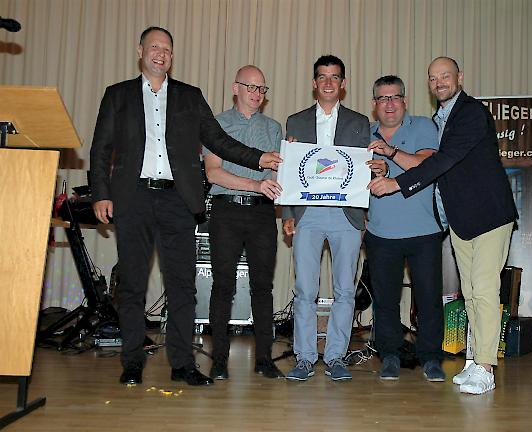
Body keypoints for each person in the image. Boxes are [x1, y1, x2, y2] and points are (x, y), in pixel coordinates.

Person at [90, 27, 281, 387]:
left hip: (178, 200)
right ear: (140, 51)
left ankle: (182, 364)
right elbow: (100, 148)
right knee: (131, 285)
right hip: (133, 199)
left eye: (167, 49)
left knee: (182, 286)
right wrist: (101, 192)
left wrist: (260, 158)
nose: (161, 54)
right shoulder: (118, 95)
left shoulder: (190, 97)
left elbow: (219, 141)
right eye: (155, 47)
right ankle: (131, 362)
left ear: (172, 57)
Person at [368, 57, 518, 394]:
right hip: (461, 219)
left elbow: (442, 161)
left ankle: (485, 366)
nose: (439, 82)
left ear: (459, 77)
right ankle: (474, 362)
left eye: (445, 76)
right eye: (434, 78)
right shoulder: (441, 118)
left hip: (489, 215)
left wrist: (397, 183)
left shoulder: (470, 113)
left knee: (483, 290)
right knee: (471, 294)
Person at [282, 55, 370, 381]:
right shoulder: (295, 121)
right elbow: (289, 171)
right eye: (323, 77)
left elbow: (363, 172)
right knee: (305, 289)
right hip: (307, 213)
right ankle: (304, 358)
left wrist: (362, 217)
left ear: (343, 84)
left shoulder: (361, 122)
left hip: (347, 216)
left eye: (335, 77)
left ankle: (335, 357)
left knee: (344, 290)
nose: (329, 83)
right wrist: (287, 214)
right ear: (314, 83)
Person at [203, 65, 284, 380]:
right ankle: (219, 359)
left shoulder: (274, 128)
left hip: (263, 214)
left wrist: (287, 166)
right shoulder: (216, 125)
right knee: (223, 286)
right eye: (250, 86)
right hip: (226, 212)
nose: (256, 93)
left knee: (262, 287)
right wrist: (255, 184)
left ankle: (264, 358)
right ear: (235, 88)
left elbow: (276, 177)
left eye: (262, 88)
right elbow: (213, 172)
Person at [365, 75, 446, 382]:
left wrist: (390, 154)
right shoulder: (363, 134)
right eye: (383, 98)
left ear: (405, 101)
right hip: (380, 232)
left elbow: (427, 166)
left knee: (428, 297)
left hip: (423, 230)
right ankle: (389, 355)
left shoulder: (424, 126)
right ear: (374, 104)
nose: (389, 104)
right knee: (385, 300)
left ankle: (430, 357)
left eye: (395, 97)